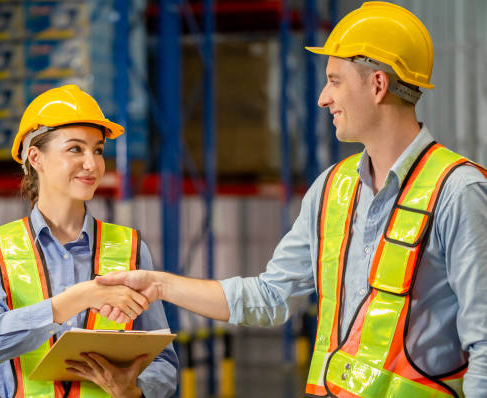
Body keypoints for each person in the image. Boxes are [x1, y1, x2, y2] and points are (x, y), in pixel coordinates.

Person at [93, 2, 487, 397]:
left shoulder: (458, 192)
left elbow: (484, 346)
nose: (322, 98)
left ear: (378, 85)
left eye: (334, 80)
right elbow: (270, 297)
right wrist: (159, 285)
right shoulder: (332, 189)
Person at [0, 85, 178, 398]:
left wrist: (135, 390)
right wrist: (75, 300)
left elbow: (163, 362)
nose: (92, 164)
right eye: (75, 149)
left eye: (98, 150)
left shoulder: (131, 248)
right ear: (36, 158)